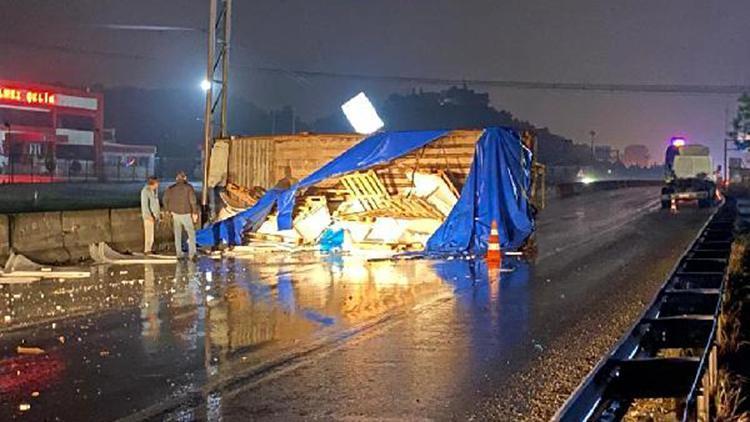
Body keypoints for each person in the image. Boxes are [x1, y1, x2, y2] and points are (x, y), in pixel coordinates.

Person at [163, 171, 199, 259]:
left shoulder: (171, 188)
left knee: (177, 234)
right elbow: (193, 201)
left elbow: (164, 200)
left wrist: (168, 210)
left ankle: (179, 254)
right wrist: (194, 212)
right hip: (186, 213)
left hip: (175, 214)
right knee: (191, 233)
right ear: (185, 178)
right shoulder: (188, 188)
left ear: (176, 179)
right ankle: (192, 254)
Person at [140, 176, 160, 255]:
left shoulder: (152, 191)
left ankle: (149, 249)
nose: (158, 184)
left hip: (152, 216)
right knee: (149, 235)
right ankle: (147, 250)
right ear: (153, 183)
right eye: (157, 183)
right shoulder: (146, 191)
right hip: (148, 216)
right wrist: (149, 215)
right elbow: (146, 205)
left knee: (151, 235)